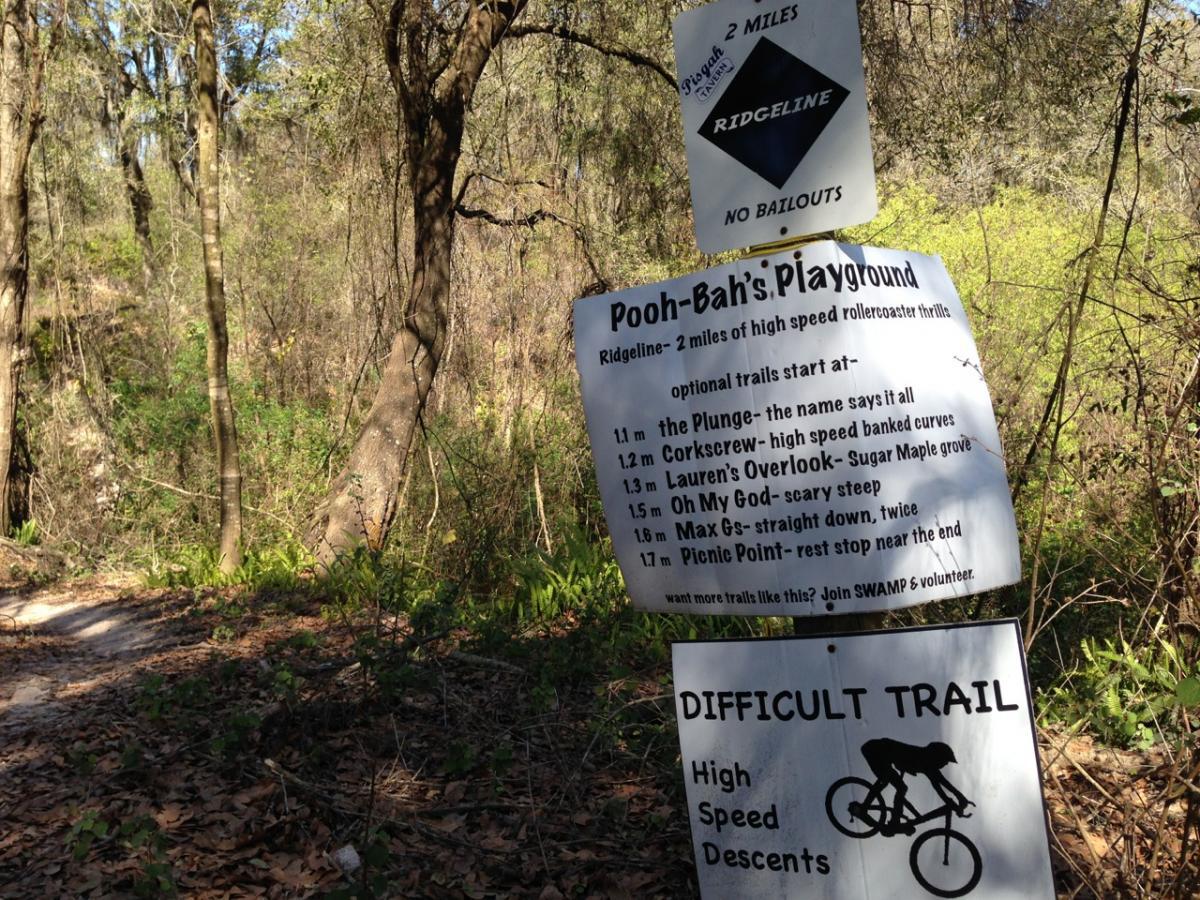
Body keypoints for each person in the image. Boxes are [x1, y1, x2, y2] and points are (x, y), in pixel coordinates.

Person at [858, 737, 973, 835]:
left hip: (881, 752)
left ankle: (893, 821)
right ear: (937, 756)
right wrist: (957, 800)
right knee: (895, 784)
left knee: (898, 786)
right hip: (875, 750)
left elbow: (941, 782)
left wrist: (959, 798)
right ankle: (865, 810)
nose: (946, 764)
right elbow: (939, 785)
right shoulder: (926, 761)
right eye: (945, 761)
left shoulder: (926, 760)